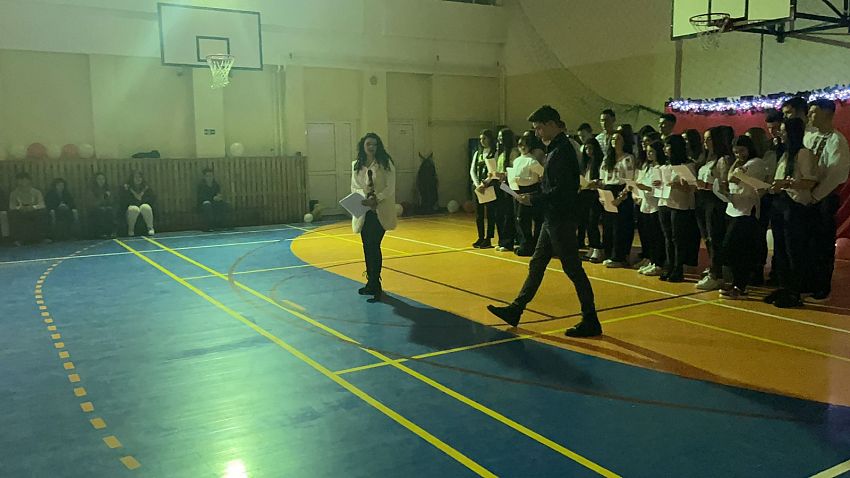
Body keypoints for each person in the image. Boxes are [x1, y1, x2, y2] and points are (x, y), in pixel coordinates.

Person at [487, 105, 600, 338]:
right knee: (537, 264)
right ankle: (516, 309)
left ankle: (590, 319)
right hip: (553, 218)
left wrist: (534, 198)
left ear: (551, 124)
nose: (537, 133)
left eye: (539, 128)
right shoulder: (556, 149)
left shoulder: (562, 152)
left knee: (573, 269)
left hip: (561, 219)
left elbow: (562, 190)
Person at [765, 118, 818, 308]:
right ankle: (784, 286)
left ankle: (795, 291)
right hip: (780, 203)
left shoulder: (803, 154)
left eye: (783, 131)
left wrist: (787, 183)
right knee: (780, 249)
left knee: (793, 249)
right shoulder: (785, 154)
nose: (780, 134)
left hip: (795, 206)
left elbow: (810, 181)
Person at [804, 98, 850, 302]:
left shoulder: (836, 141)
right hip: (807, 196)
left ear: (827, 113)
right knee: (809, 242)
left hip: (824, 198)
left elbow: (836, 174)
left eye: (814, 112)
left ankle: (822, 289)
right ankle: (808, 282)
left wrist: (816, 195)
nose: (810, 115)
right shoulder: (810, 137)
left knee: (822, 244)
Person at [718, 135, 770, 299]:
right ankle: (735, 283)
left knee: (738, 249)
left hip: (747, 211)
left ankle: (741, 286)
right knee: (732, 250)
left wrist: (735, 167)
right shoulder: (740, 163)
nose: (739, 155)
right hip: (734, 208)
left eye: (742, 151)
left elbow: (733, 178)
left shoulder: (756, 163)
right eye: (735, 152)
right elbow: (729, 179)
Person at [351, 132, 396, 302]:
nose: (371, 147)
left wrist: (377, 198)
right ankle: (370, 281)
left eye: (375, 145)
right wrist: (365, 198)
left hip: (380, 210)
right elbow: (354, 186)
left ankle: (375, 283)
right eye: (368, 144)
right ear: (363, 146)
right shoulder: (356, 165)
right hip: (364, 210)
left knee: (374, 245)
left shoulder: (386, 164)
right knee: (366, 246)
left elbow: (390, 187)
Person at [694, 126, 731, 290]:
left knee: (715, 237)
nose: (706, 142)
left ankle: (717, 274)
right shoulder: (707, 159)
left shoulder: (722, 160)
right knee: (707, 238)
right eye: (704, 139)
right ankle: (713, 267)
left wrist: (706, 185)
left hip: (714, 201)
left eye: (709, 139)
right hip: (702, 200)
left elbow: (724, 184)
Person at [657, 135, 698, 282]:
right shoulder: (665, 166)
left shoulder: (687, 166)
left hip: (680, 205)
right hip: (664, 202)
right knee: (668, 237)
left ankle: (678, 268)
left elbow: (692, 188)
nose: (664, 149)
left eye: (667, 146)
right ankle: (669, 266)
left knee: (678, 239)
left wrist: (679, 185)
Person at [598, 130, 636, 268]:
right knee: (608, 226)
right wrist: (601, 196)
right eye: (613, 139)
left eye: (618, 138)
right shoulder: (607, 159)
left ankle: (619, 256)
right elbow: (602, 179)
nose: (615, 141)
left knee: (620, 227)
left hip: (621, 193)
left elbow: (630, 181)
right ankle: (608, 253)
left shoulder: (628, 158)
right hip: (608, 192)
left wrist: (621, 197)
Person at [633, 141, 666, 276]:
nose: (648, 154)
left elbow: (660, 188)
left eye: (651, 151)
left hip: (655, 206)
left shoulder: (661, 168)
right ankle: (652, 260)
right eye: (647, 151)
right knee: (649, 236)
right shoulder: (648, 167)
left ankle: (658, 263)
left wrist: (646, 188)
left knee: (657, 236)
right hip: (645, 205)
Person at [512, 130, 545, 256]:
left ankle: (534, 245)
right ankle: (526, 244)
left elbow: (543, 174)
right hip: (518, 190)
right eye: (520, 145)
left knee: (532, 219)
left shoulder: (532, 161)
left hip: (531, 191)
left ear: (529, 146)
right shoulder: (516, 160)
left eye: (525, 145)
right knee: (521, 220)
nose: (522, 147)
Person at [470, 129, 498, 249]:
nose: (482, 141)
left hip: (489, 187)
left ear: (490, 139)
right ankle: (480, 237)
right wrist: (477, 185)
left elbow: (494, 171)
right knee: (479, 214)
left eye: (484, 138)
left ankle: (488, 239)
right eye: (481, 139)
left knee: (490, 214)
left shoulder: (495, 152)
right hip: (478, 188)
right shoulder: (478, 153)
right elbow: (472, 170)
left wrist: (485, 183)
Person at [578, 138, 604, 262]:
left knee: (593, 221)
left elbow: (603, 178)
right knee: (586, 221)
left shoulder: (600, 162)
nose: (588, 151)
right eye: (586, 148)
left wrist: (595, 182)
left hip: (596, 193)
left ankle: (597, 247)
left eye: (590, 148)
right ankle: (592, 247)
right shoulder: (585, 163)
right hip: (585, 193)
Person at [495, 128, 520, 252]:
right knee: (501, 214)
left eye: (501, 137)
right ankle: (502, 240)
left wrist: (504, 174)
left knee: (509, 214)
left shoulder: (514, 152)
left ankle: (508, 242)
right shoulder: (501, 153)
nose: (499, 139)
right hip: (501, 185)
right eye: (498, 137)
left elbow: (514, 169)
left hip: (510, 186)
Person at [8, 172, 50, 245]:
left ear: (29, 180)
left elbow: (42, 204)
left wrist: (33, 207)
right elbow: (11, 206)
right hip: (20, 212)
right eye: (20, 180)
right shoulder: (14, 193)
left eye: (24, 179)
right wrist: (19, 208)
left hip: (34, 211)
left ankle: (42, 238)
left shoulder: (36, 192)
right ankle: (19, 240)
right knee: (13, 214)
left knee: (43, 212)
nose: (22, 182)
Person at [121, 170, 156, 237]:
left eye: (140, 177)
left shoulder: (146, 188)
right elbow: (125, 201)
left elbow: (151, 199)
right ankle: (131, 230)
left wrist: (141, 199)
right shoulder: (127, 188)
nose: (138, 179)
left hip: (143, 206)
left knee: (145, 207)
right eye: (136, 177)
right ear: (132, 179)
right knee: (134, 209)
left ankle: (150, 228)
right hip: (131, 208)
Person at [88, 172, 115, 238]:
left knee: (109, 210)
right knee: (101, 211)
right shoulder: (92, 190)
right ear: (95, 180)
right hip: (95, 210)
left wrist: (109, 198)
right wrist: (104, 197)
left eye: (103, 179)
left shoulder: (108, 189)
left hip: (107, 208)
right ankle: (102, 233)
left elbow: (112, 201)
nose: (101, 181)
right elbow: (93, 203)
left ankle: (111, 232)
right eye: (99, 179)